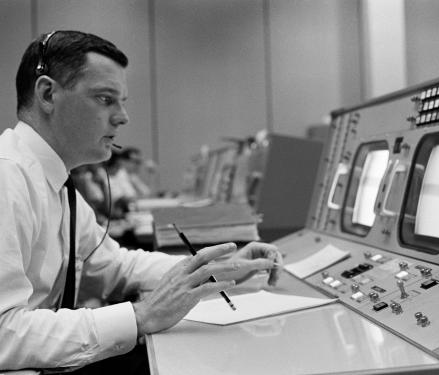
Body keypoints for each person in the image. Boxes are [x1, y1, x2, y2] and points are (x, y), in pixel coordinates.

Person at [0, 30, 283, 373]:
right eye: (105, 99)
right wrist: (140, 316)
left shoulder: (56, 182)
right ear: (47, 94)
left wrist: (218, 269)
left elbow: (115, 265)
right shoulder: (7, 178)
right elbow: (4, 335)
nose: (123, 117)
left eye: (122, 102)